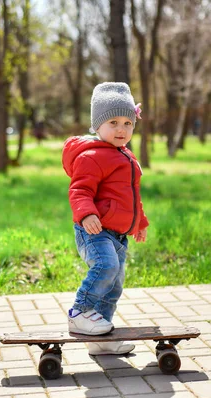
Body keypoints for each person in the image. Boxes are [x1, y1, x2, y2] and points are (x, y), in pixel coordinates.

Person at [62, 82, 149, 355]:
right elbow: (80, 190)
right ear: (97, 126)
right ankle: (80, 313)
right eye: (113, 122)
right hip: (95, 230)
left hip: (119, 234)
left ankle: (101, 337)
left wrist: (140, 222)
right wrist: (86, 213)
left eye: (128, 122)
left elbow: (131, 196)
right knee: (106, 266)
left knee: (114, 284)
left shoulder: (127, 156)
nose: (122, 129)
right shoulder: (91, 156)